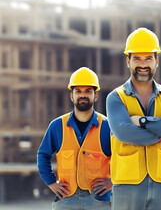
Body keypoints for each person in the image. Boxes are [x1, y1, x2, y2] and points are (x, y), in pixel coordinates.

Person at [106, 27, 161, 210]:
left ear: (156, 61)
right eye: (137, 58)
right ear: (128, 61)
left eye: (148, 58)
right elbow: (124, 133)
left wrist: (142, 121)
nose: (143, 64)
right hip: (127, 184)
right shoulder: (115, 97)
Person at [37, 67, 112, 210]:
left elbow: (123, 157)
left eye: (88, 91)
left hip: (99, 200)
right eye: (78, 91)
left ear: (95, 95)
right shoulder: (57, 126)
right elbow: (43, 155)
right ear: (71, 96)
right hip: (66, 199)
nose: (82, 95)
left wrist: (112, 182)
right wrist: (51, 182)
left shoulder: (107, 126)